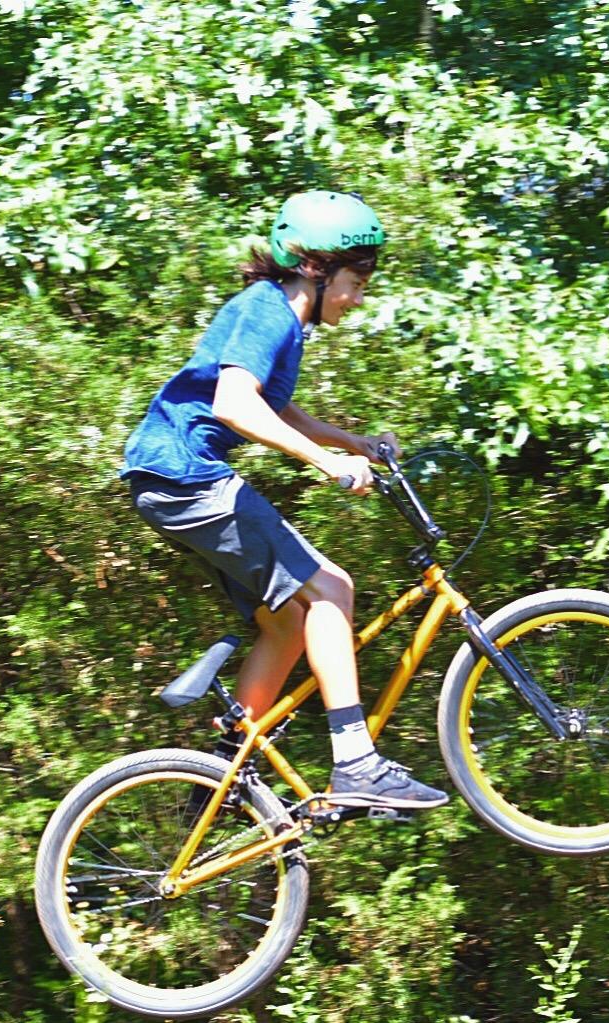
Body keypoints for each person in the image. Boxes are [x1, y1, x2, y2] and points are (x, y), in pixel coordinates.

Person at [121, 190, 448, 810]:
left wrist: (349, 439)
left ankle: (221, 773)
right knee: (332, 588)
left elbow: (272, 402)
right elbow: (234, 405)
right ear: (316, 269)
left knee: (288, 622)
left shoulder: (282, 321)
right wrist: (326, 462)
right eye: (356, 282)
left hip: (169, 481)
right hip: (185, 474)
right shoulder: (266, 310)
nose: (358, 298)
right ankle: (356, 762)